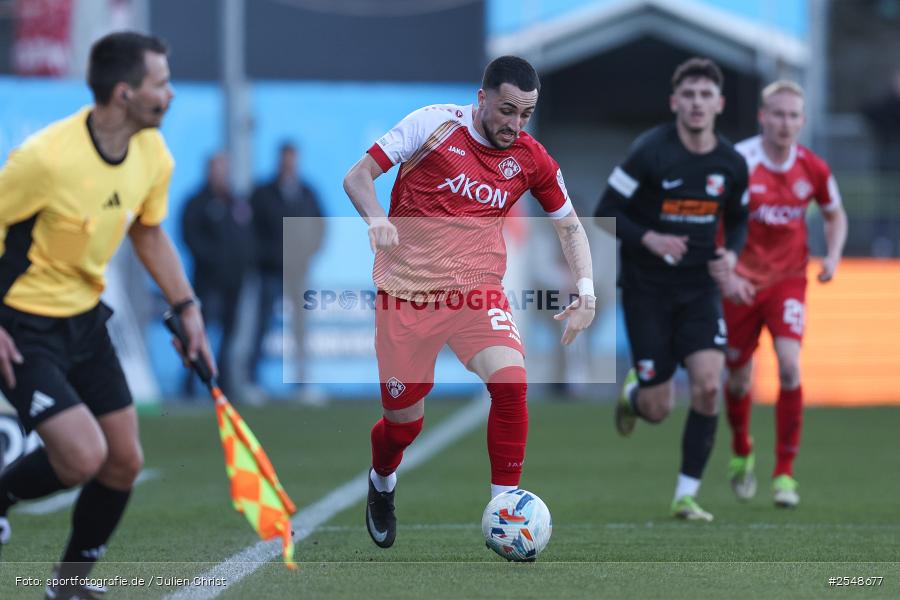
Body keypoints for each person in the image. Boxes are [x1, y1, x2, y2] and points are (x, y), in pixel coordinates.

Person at [343, 56, 596, 548]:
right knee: (404, 426)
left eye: (526, 114)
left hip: (476, 293)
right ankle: (382, 478)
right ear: (482, 99)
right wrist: (376, 218)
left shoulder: (531, 158)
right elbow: (358, 177)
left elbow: (569, 225)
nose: (515, 125)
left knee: (511, 385)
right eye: (507, 111)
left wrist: (586, 291)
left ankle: (506, 510)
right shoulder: (432, 125)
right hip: (407, 294)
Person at [0, 32, 214, 599]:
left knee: (122, 462)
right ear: (125, 93)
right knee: (82, 457)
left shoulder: (153, 154)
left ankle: (68, 587)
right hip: (22, 325)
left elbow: (148, 232)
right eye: (161, 83)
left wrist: (187, 308)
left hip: (86, 321)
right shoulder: (44, 160)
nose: (171, 93)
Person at [594, 57, 749, 522]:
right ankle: (635, 395)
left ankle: (686, 495)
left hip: (700, 288)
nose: (697, 103)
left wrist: (731, 256)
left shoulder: (731, 163)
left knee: (708, 386)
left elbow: (738, 218)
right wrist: (650, 238)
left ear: (719, 104)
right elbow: (605, 210)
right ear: (675, 102)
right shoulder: (649, 151)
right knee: (658, 408)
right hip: (647, 288)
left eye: (706, 95)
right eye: (689, 95)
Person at [724, 81, 848, 508]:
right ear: (763, 116)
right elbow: (713, 218)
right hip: (740, 282)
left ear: (803, 121)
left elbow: (835, 215)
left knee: (791, 368)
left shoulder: (813, 168)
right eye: (777, 114)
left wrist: (833, 255)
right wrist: (726, 271)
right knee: (738, 378)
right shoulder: (739, 161)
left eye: (793, 115)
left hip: (788, 281)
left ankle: (785, 473)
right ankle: (741, 449)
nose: (785, 122)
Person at [248, 142, 323, 389]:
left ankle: (302, 379)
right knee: (262, 324)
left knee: (301, 327)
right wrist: (265, 256)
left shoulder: (307, 193)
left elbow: (320, 227)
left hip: (299, 271)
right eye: (285, 159)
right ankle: (252, 379)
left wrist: (307, 254)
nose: (289, 164)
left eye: (292, 159)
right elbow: (250, 231)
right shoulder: (262, 193)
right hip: (270, 271)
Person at [182, 152, 254, 398]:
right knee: (199, 331)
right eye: (216, 169)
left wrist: (244, 262)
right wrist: (213, 261)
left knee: (229, 332)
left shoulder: (237, 202)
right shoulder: (196, 203)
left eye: (224, 169)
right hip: (207, 280)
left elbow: (247, 235)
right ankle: (191, 383)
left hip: (234, 280)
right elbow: (190, 237)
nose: (220, 174)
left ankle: (223, 381)